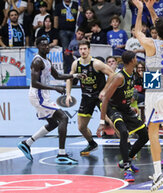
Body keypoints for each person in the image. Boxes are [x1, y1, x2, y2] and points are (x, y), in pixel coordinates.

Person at [132, 0, 163, 191]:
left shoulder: (151, 44)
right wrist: (152, 10)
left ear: (155, 31)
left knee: (153, 130)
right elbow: (160, 25)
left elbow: (136, 31)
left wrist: (141, 9)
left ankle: (159, 173)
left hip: (155, 85)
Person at [17, 36, 84, 164]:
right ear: (38, 47)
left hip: (43, 95)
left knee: (53, 123)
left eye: (47, 45)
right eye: (43, 45)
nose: (46, 47)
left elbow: (58, 75)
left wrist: (75, 75)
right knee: (63, 118)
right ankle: (61, 154)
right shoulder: (37, 61)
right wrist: (55, 88)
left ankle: (27, 143)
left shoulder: (47, 60)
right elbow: (35, 83)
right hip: (38, 96)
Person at [96, 51, 149, 182]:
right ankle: (127, 168)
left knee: (144, 135)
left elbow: (126, 93)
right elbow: (105, 99)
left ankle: (127, 160)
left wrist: (130, 105)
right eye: (135, 58)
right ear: (132, 61)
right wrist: (102, 122)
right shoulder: (119, 77)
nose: (137, 59)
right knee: (124, 133)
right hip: (113, 108)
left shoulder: (132, 75)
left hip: (125, 108)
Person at [65, 40, 115, 156]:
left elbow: (112, 74)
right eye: (81, 49)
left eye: (85, 49)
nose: (83, 51)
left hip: (99, 96)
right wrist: (68, 94)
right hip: (86, 96)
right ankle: (92, 143)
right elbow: (69, 78)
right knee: (81, 127)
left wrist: (104, 90)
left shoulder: (96, 63)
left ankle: (125, 143)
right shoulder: (76, 64)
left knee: (110, 120)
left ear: (89, 50)